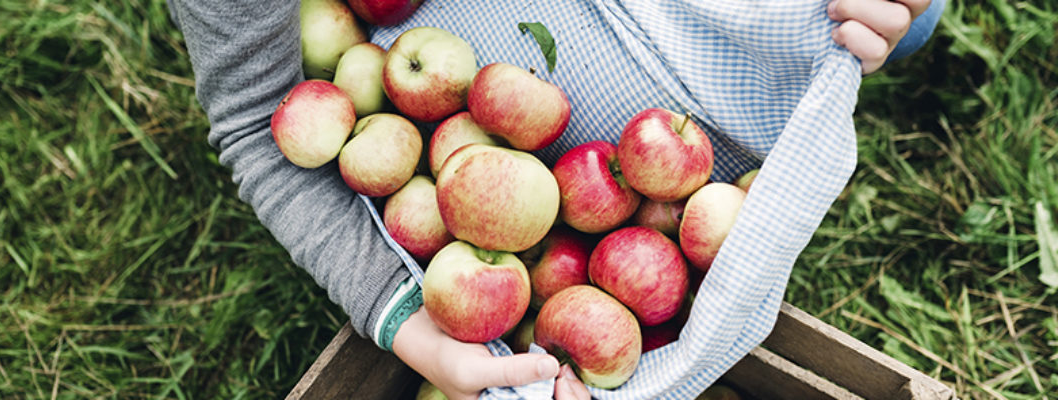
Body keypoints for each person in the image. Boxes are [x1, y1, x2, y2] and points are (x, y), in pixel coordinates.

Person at [166, 0, 943, 398]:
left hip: (708, 61)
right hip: (543, 150)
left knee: (906, 24)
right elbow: (251, 120)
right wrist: (406, 325)